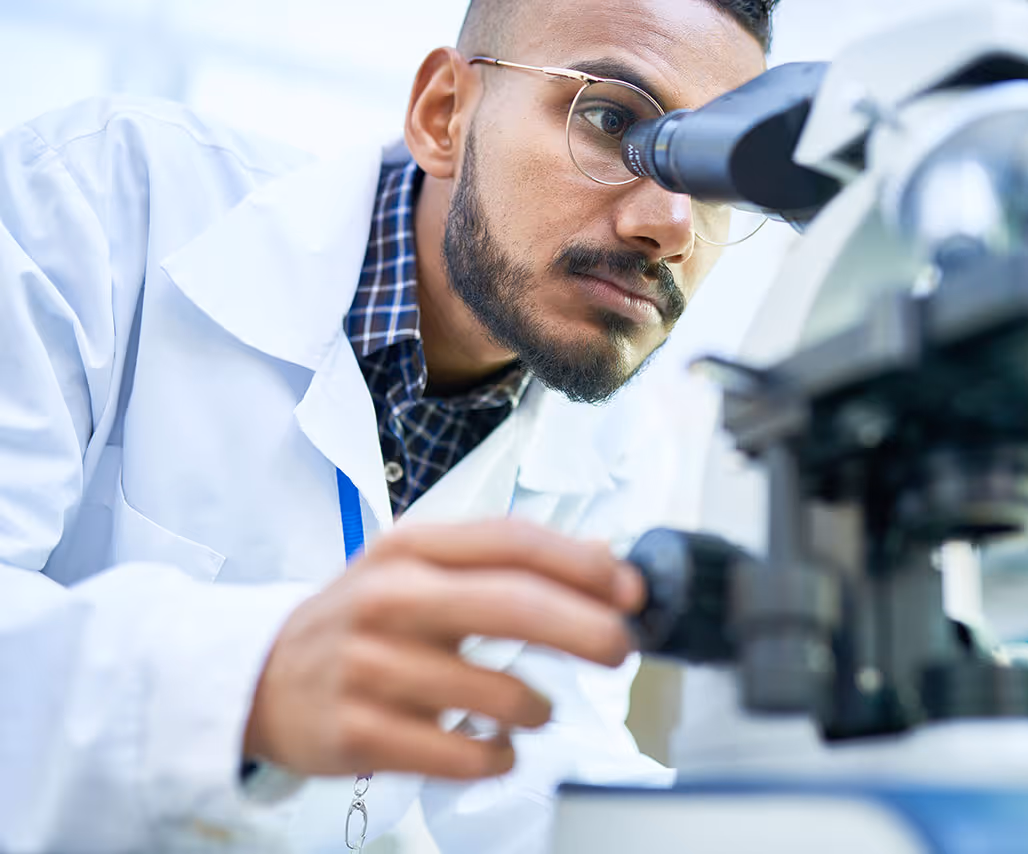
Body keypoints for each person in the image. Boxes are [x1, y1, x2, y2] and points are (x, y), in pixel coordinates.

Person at [0, 0, 775, 851]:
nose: (666, 227)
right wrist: (242, 684)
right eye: (610, 120)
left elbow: (532, 782)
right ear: (443, 114)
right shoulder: (97, 197)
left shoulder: (616, 451)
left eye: (715, 180)